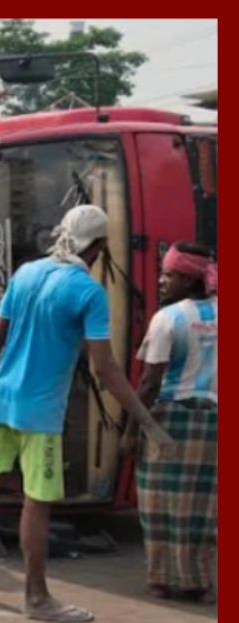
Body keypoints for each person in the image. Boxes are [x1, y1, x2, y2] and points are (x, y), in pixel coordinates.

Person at [0, 204, 173, 623]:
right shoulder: (88, 292)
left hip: (2, 400)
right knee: (38, 500)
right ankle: (36, 597)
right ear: (101, 246)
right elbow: (103, 367)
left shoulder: (27, 273)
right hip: (41, 414)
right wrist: (144, 419)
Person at [121, 243, 217, 603]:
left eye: (169, 274)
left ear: (189, 278)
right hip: (214, 426)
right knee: (204, 507)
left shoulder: (169, 318)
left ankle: (160, 579)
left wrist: (131, 431)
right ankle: (197, 581)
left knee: (158, 503)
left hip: (169, 421)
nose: (161, 281)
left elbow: (148, 383)